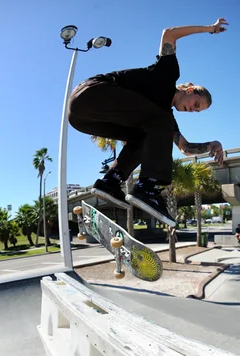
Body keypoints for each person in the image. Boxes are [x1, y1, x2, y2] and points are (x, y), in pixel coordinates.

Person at [68, 18, 228, 227]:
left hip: (82, 119)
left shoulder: (161, 120)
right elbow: (168, 33)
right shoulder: (167, 72)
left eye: (197, 111)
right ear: (189, 90)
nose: (193, 110)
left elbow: (185, 148)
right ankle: (148, 187)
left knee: (147, 133)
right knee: (160, 121)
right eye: (196, 103)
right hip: (92, 93)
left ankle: (110, 181)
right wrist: (209, 29)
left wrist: (210, 146)